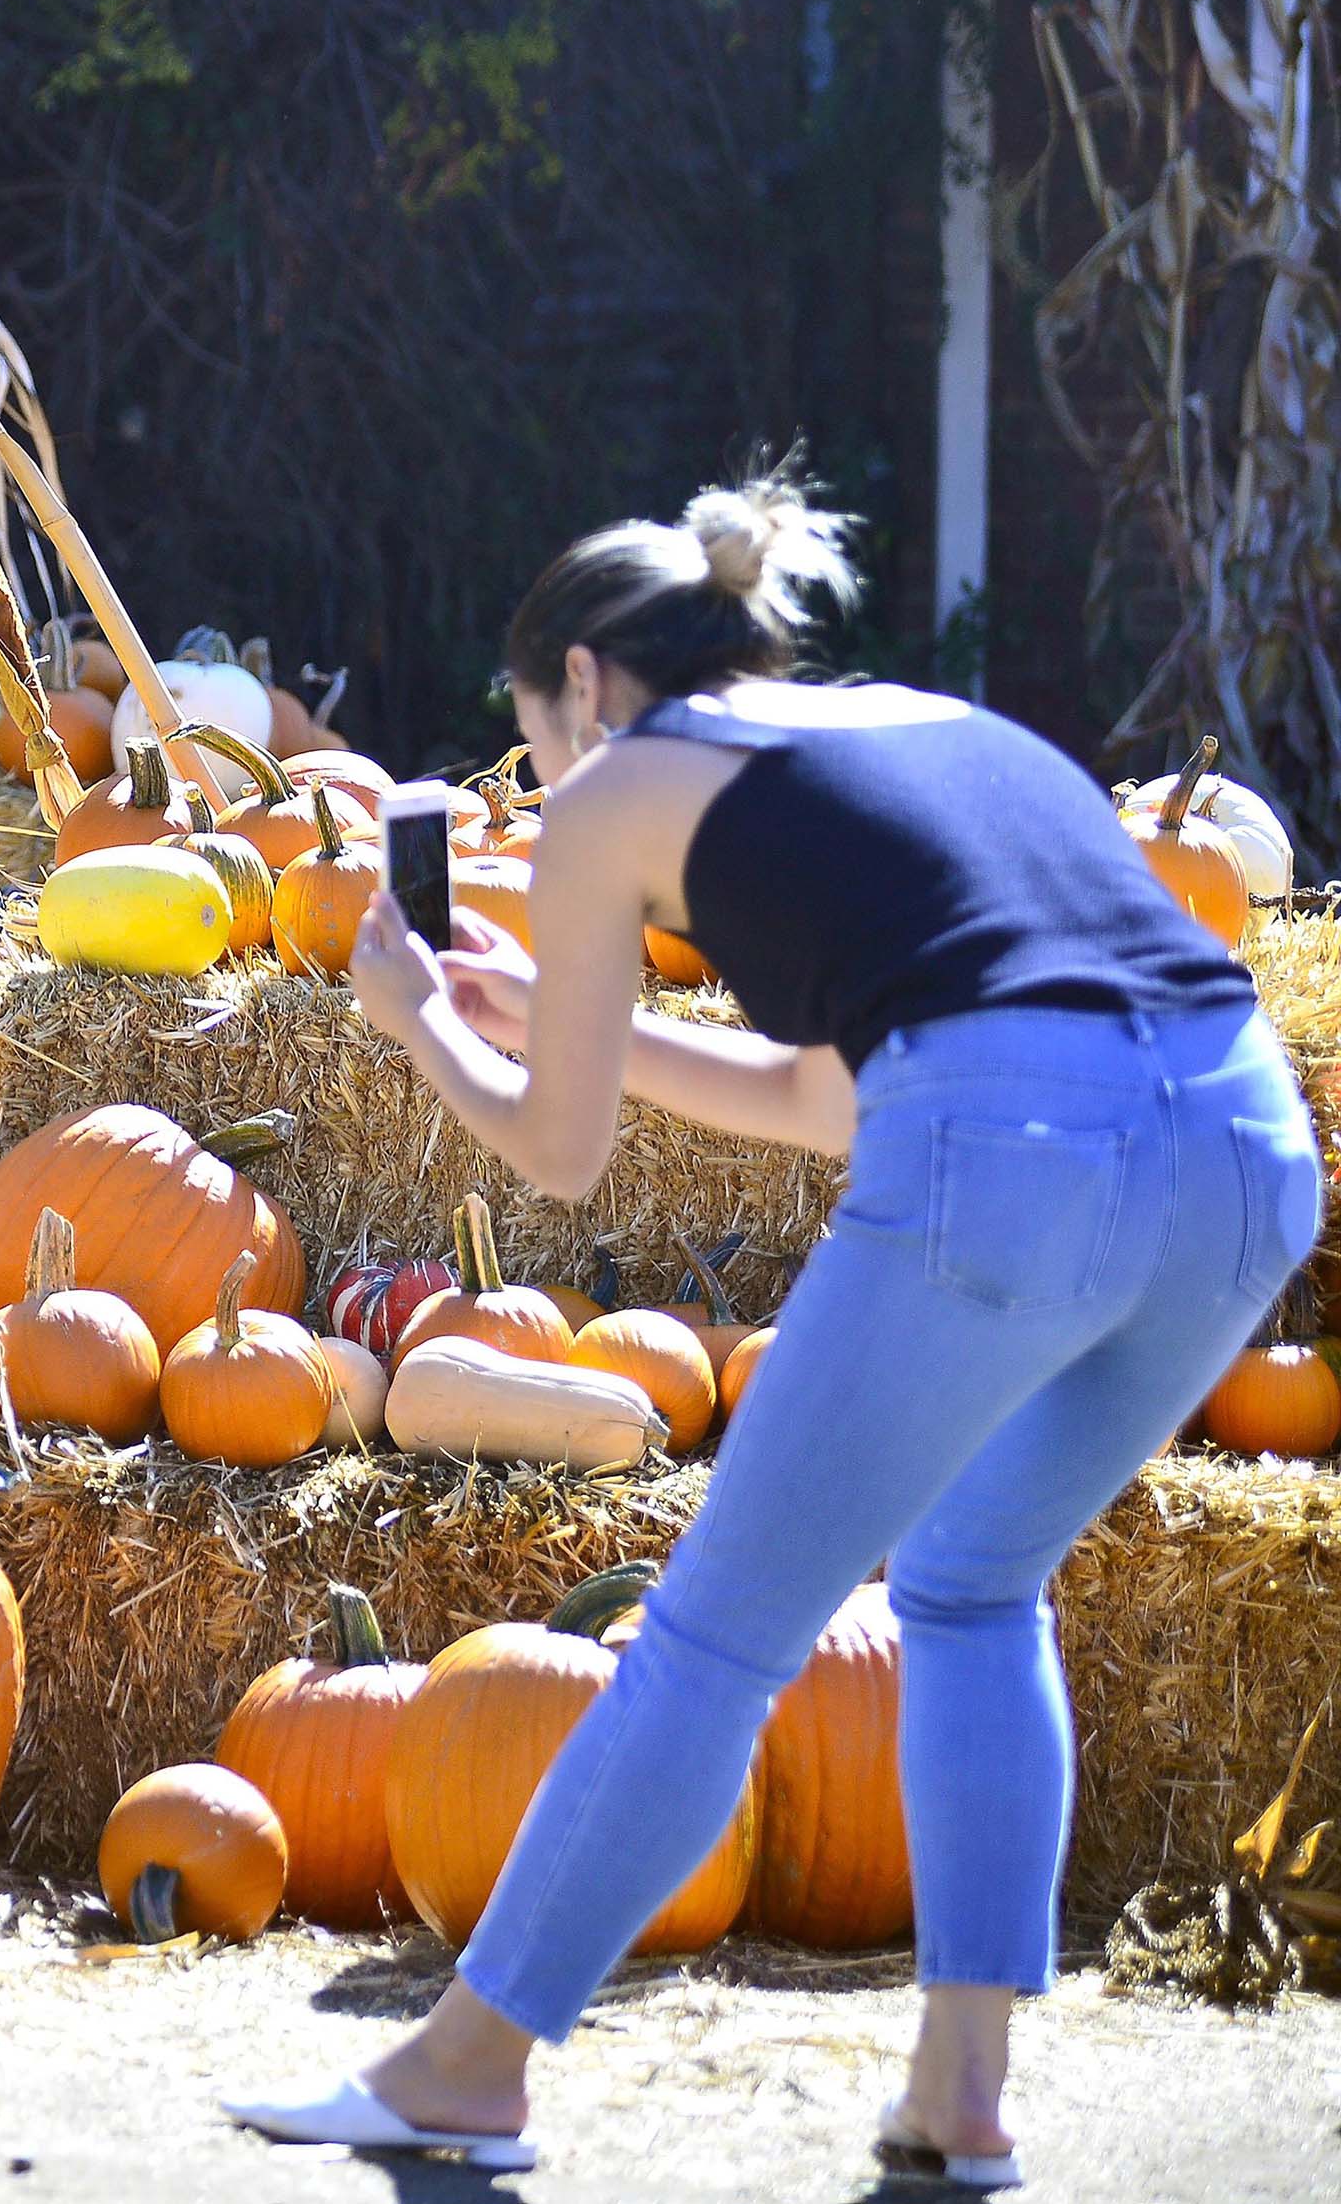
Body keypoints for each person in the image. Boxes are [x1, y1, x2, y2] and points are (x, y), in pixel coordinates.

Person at [227, 469, 1319, 2185]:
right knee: (968, 1582)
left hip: (1012, 1150)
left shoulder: (613, 797)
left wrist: (422, 1016)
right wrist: (551, 1007)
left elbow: (559, 1158)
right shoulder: (923, 726)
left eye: (546, 737)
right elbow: (837, 1093)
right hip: (1247, 1155)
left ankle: (471, 2068)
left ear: (584, 683)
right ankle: (962, 2100)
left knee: (714, 1641)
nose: (559, 786)